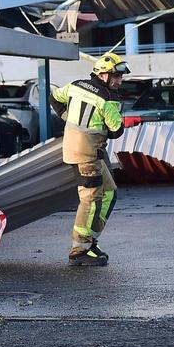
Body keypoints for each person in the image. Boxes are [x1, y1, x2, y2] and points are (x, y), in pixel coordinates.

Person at [51, 52, 129, 267]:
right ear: (102, 75)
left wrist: (68, 118)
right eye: (115, 76)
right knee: (91, 198)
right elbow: (116, 130)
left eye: (120, 76)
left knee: (110, 192)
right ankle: (79, 250)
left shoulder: (76, 85)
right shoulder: (108, 99)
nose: (119, 81)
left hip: (81, 151)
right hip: (87, 154)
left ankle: (91, 241)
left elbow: (54, 97)